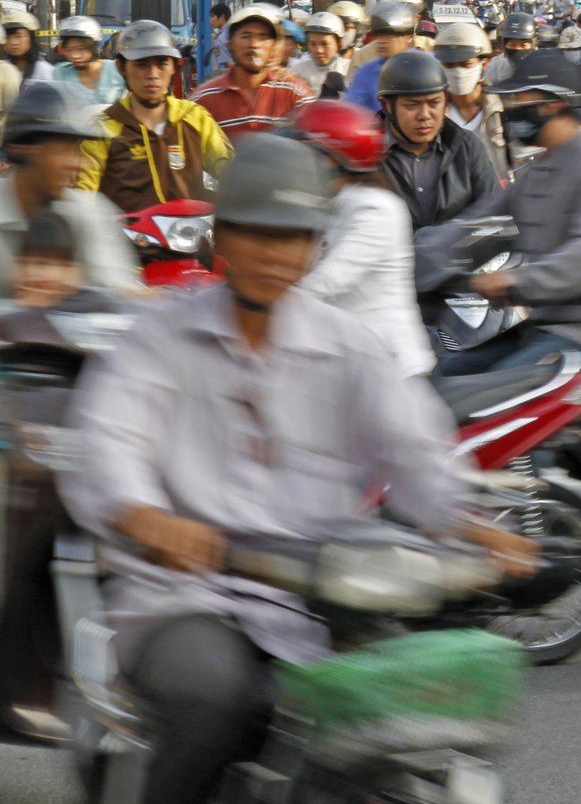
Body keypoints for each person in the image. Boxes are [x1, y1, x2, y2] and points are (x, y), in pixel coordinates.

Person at [58, 132, 533, 804]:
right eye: (256, 233)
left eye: (292, 236)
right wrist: (146, 516)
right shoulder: (158, 340)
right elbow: (108, 442)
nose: (274, 254)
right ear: (222, 238)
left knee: (410, 718)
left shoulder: (348, 347)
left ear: (314, 246)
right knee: (212, 704)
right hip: (184, 597)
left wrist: (474, 528)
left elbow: (413, 450)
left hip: (317, 598)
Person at [440, 51, 581, 374]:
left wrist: (512, 281)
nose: (509, 111)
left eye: (517, 100)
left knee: (489, 394)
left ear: (551, 103)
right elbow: (483, 219)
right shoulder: (539, 170)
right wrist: (423, 250)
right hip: (546, 329)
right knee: (450, 374)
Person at [283, 101, 436, 376]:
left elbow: (327, 281)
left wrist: (258, 303)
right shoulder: (324, 202)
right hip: (345, 365)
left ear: (330, 158)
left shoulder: (376, 209)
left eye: (303, 153)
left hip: (393, 370)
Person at [0, 84, 142, 297]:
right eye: (62, 150)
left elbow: (122, 298)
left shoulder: (89, 212)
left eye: (76, 150)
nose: (77, 165)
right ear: (23, 149)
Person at [78, 21, 232, 214]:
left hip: (193, 236)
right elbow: (82, 194)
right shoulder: (103, 128)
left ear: (174, 67)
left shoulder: (194, 117)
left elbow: (229, 171)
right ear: (121, 67)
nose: (153, 74)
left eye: (161, 64)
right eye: (141, 65)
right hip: (126, 241)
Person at [375, 48, 504, 237]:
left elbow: (494, 212)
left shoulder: (466, 146)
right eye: (412, 105)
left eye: (434, 103)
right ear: (386, 106)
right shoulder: (366, 154)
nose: (425, 116)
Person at [186, 4, 313, 136]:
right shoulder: (203, 100)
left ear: (273, 46)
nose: (254, 44)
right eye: (246, 36)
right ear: (230, 44)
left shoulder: (296, 95)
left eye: (263, 37)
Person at [433, 20, 509, 177]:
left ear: (484, 63)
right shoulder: (432, 112)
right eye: (449, 65)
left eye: (465, 64)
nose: (457, 72)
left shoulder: (501, 109)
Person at [339, 0, 421, 111]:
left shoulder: (424, 65)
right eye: (380, 36)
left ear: (407, 35)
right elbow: (351, 110)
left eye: (389, 36)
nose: (382, 41)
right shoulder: (366, 73)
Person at [50, 16, 126, 111]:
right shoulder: (60, 73)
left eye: (81, 49)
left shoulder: (116, 70)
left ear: (93, 46)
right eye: (69, 50)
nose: (75, 56)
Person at [286, 11, 351, 98]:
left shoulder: (350, 70)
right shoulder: (296, 71)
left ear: (338, 43)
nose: (319, 50)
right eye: (313, 44)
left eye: (325, 44)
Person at [483, 12, 540, 86]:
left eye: (523, 45)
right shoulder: (494, 69)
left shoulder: (542, 69)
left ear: (533, 44)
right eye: (512, 45)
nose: (517, 48)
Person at [4, 9, 54, 85]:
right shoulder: (3, 69)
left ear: (31, 38)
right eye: (8, 37)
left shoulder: (44, 71)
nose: (13, 42)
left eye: (18, 36)